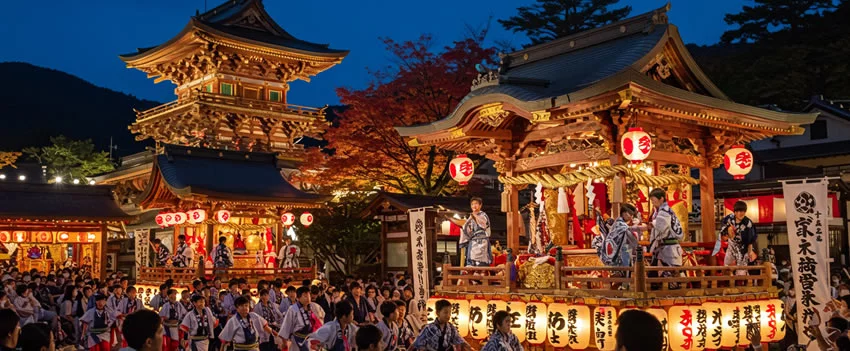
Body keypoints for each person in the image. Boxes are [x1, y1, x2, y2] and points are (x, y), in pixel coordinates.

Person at [647, 188, 684, 287]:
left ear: (661, 199)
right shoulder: (667, 210)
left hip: (668, 248)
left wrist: (652, 224)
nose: (653, 204)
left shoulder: (664, 212)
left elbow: (661, 228)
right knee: (656, 275)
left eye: (654, 201)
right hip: (666, 248)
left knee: (670, 275)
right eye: (652, 201)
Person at [594, 204, 640, 273]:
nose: (631, 216)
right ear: (624, 213)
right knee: (624, 274)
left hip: (622, 251)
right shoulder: (620, 224)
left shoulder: (619, 223)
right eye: (630, 214)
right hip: (620, 253)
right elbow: (633, 239)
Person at [720, 201, 758, 276]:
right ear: (734, 212)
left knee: (741, 272)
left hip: (743, 248)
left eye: (742, 211)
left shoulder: (748, 223)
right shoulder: (729, 218)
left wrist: (750, 251)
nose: (740, 213)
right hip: (731, 246)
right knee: (726, 268)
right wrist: (728, 229)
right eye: (738, 211)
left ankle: (744, 284)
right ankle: (728, 285)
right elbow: (722, 231)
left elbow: (750, 240)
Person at [454, 197, 492, 267]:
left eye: (476, 204)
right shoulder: (471, 216)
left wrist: (474, 217)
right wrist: (463, 227)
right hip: (473, 239)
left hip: (482, 239)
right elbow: (466, 226)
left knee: (481, 259)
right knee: (471, 256)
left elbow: (483, 224)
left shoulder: (483, 215)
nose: (474, 206)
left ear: (480, 205)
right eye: (472, 204)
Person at [279, 286, 317, 351]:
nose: (308, 298)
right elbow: (286, 326)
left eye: (309, 296)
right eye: (305, 296)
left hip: (310, 340)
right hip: (297, 340)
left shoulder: (313, 307)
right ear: (298, 298)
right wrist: (284, 342)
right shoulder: (293, 309)